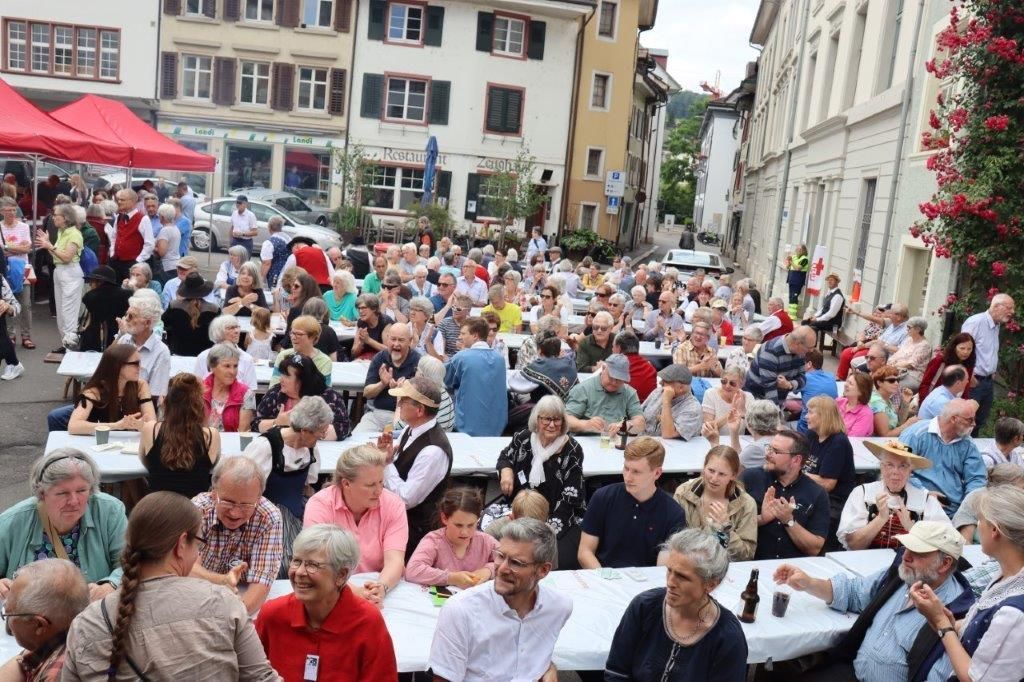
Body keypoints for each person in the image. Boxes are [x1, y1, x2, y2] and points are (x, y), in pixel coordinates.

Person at [62, 491, 280, 680]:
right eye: (198, 544)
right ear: (181, 543)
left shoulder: (87, 623)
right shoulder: (224, 603)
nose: (197, 554)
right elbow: (261, 678)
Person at [772, 521, 973, 682]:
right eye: (906, 547)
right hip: (851, 673)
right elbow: (854, 592)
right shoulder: (902, 576)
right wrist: (809, 583)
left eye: (918, 552)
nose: (906, 556)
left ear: (945, 563)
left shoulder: (956, 615)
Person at [428, 518, 571, 682]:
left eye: (516, 563)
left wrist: (549, 666)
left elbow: (536, 652)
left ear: (543, 570)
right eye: (500, 556)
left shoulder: (559, 607)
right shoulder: (460, 610)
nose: (502, 569)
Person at [255, 525, 398, 680]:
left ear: (341, 575)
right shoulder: (272, 615)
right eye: (296, 561)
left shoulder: (367, 622)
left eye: (312, 565)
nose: (300, 572)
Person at [912, 485, 1024, 682]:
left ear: (994, 530)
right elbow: (987, 629)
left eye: (979, 520)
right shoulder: (1008, 576)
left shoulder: (1015, 613)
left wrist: (941, 624)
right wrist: (949, 622)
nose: (977, 526)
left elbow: (974, 678)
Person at [604, 528, 748, 681]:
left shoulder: (727, 638)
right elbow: (616, 672)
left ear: (711, 584)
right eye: (669, 570)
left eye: (682, 576)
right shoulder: (644, 607)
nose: (670, 582)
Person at [0, 449, 126, 601]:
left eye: (81, 491)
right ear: (42, 493)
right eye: (62, 493)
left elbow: (131, 563)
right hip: (30, 613)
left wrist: (111, 585)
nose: (73, 501)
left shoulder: (110, 511)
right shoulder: (12, 521)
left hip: (92, 610)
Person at [303, 445, 407, 605]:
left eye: (381, 482)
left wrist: (381, 588)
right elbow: (318, 562)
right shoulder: (320, 505)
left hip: (379, 589)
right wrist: (355, 593)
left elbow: (395, 560)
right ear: (346, 484)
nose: (379, 490)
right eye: (371, 485)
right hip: (331, 591)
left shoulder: (393, 504)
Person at [191, 457, 283, 614]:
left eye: (246, 505)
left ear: (259, 499)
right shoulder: (197, 510)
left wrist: (233, 617)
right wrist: (223, 580)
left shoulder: (269, 517)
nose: (235, 513)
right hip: (197, 595)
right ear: (213, 493)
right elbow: (188, 569)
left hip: (241, 599)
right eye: (228, 502)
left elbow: (261, 582)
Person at [578, 437, 686, 568]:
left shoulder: (674, 514)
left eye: (636, 472)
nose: (628, 477)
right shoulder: (603, 497)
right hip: (603, 574)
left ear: (657, 473)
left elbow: (665, 568)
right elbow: (585, 552)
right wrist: (604, 576)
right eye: (626, 468)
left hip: (647, 579)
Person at [496, 396, 585, 554]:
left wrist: (547, 528)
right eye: (547, 419)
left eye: (557, 419)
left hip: (555, 515)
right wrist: (506, 471)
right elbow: (505, 456)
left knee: (543, 552)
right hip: (518, 511)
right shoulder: (523, 438)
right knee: (487, 532)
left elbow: (571, 496)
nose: (552, 424)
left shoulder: (572, 450)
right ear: (537, 419)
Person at [376, 377, 453, 556]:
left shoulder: (433, 451)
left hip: (415, 535)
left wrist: (386, 463)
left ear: (419, 410)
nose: (399, 404)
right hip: (399, 523)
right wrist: (388, 454)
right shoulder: (410, 428)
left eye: (404, 400)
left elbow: (405, 500)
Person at [838, 440, 950, 550]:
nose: (895, 471)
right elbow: (854, 545)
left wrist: (912, 528)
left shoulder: (925, 500)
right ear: (881, 467)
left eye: (903, 466)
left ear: (910, 471)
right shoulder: (863, 493)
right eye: (889, 465)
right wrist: (880, 519)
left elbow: (947, 542)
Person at [739, 428, 830, 559]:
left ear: (796, 460)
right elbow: (730, 525)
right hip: (751, 563)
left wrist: (788, 520)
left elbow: (815, 548)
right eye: (769, 448)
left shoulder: (817, 493)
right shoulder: (750, 478)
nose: (768, 454)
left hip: (794, 568)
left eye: (775, 451)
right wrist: (761, 519)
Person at [0, 558, 88, 681]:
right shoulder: (74, 633)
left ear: (39, 625)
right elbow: (24, 662)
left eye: (8, 615)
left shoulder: (55, 676)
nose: (8, 623)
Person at [141, 373, 221, 499]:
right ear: (199, 405)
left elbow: (146, 463)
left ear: (167, 401)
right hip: (194, 507)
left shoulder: (150, 429)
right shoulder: (211, 435)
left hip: (158, 505)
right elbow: (211, 467)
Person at [902, 399, 987, 516]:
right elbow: (899, 470)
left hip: (957, 511)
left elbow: (977, 478)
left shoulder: (967, 443)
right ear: (954, 419)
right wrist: (924, 494)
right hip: (917, 506)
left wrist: (968, 506)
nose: (974, 424)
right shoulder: (916, 434)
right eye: (970, 420)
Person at [673, 447, 758, 561]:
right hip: (688, 563)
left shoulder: (747, 504)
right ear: (704, 467)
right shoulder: (683, 494)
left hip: (726, 567)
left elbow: (746, 555)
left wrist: (726, 530)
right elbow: (675, 541)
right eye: (711, 471)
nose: (714, 478)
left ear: (733, 475)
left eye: (722, 474)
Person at [406, 487, 499, 587]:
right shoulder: (434, 541)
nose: (464, 532)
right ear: (444, 518)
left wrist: (488, 570)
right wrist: (450, 578)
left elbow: (509, 562)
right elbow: (412, 570)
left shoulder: (486, 541)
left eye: (471, 525)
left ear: (478, 519)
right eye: (458, 525)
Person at [66, 343, 157, 435]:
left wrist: (140, 425)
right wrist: (117, 426)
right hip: (98, 442)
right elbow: (73, 426)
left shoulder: (141, 386)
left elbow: (153, 425)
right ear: (118, 366)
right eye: (135, 363)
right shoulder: (94, 391)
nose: (140, 367)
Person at [256, 352, 349, 439]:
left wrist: (300, 427)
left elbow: (343, 429)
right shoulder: (275, 393)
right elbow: (255, 424)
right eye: (282, 374)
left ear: (302, 380)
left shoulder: (329, 397)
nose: (281, 379)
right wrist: (276, 422)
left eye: (287, 376)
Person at [804, 395, 856, 550]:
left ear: (824, 416)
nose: (806, 416)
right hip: (812, 492)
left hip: (834, 500)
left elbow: (827, 484)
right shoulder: (811, 435)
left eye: (811, 412)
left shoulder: (838, 442)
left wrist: (798, 473)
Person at [961, 293, 1015, 434]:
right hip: (974, 380)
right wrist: (969, 375)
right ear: (996, 306)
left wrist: (991, 372)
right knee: (966, 420)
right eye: (1009, 308)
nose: (1012, 312)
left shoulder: (996, 325)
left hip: (988, 381)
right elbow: (961, 350)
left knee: (979, 421)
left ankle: (971, 445)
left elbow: (988, 351)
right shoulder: (976, 322)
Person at [445, 317, 508, 436]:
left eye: (463, 333)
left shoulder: (462, 357)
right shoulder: (500, 359)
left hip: (466, 427)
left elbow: (445, 380)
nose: (460, 337)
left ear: (475, 335)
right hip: (497, 426)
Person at [33, 203, 82, 350]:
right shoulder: (62, 232)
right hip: (60, 271)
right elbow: (57, 255)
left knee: (68, 312)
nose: (53, 218)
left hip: (70, 272)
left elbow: (67, 257)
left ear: (65, 218)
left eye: (56, 215)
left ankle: (71, 346)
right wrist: (48, 244)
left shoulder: (74, 234)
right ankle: (66, 343)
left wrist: (49, 245)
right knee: (60, 312)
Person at [355, 322, 420, 432]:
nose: (396, 344)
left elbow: (422, 398)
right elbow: (367, 393)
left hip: (406, 417)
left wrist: (404, 390)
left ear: (410, 341)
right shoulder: (379, 358)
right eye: (393, 339)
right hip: (377, 414)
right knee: (358, 437)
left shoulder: (418, 361)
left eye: (401, 340)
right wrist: (382, 384)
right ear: (387, 339)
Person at [565, 353, 645, 435]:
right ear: (603, 369)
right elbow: (567, 419)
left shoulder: (629, 393)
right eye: (611, 377)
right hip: (586, 439)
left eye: (619, 379)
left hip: (617, 440)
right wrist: (586, 425)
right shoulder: (583, 389)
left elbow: (640, 423)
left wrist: (626, 425)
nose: (614, 383)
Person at [116, 290, 171, 401]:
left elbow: (155, 395)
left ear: (147, 323)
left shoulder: (161, 351)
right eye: (126, 314)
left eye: (131, 316)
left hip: (142, 406)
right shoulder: (124, 340)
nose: (126, 319)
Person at [744, 326, 815, 405]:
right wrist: (777, 412)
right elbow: (770, 391)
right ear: (797, 344)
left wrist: (789, 385)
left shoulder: (800, 353)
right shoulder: (770, 352)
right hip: (756, 400)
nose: (811, 350)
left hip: (779, 399)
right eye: (810, 347)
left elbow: (803, 378)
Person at [1, 195, 34, 350]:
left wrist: (7, 247)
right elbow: (1, 252)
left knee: (26, 304)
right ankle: (11, 334)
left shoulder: (24, 227)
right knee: (7, 303)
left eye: (14, 210)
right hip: (5, 270)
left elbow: (27, 248)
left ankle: (26, 336)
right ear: (1, 211)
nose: (12, 213)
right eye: (8, 210)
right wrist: (18, 248)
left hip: (23, 269)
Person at [201, 343, 256, 432]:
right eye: (227, 366)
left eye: (235, 366)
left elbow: (243, 431)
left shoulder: (246, 394)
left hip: (233, 441)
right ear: (212, 366)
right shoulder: (197, 391)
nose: (232, 372)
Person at [162, 272, 219, 356]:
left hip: (178, 353)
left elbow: (164, 323)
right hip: (205, 355)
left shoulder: (174, 306)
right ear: (204, 290)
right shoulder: (214, 309)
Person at [106, 188, 155, 284]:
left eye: (122, 200)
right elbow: (114, 237)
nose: (119, 202)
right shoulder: (119, 217)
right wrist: (112, 253)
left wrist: (137, 261)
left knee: (129, 289)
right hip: (116, 262)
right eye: (118, 199)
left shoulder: (143, 219)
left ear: (132, 201)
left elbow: (149, 244)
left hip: (132, 264)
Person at [78, 264, 132, 352]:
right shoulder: (128, 295)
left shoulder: (90, 297)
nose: (90, 284)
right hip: (121, 336)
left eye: (92, 281)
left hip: (95, 339)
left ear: (100, 282)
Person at [642, 364, 703, 440]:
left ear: (681, 388)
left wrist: (666, 401)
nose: (660, 383)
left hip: (669, 446)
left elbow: (668, 434)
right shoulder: (658, 392)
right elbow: (639, 414)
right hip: (642, 442)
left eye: (666, 381)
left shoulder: (693, 408)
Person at [270, 315, 334, 386]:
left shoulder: (324, 362)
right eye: (292, 333)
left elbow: (325, 390)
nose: (293, 337)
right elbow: (274, 386)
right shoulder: (283, 356)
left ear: (313, 337)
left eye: (299, 334)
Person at [919, 332, 976, 402]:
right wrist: (925, 402)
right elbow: (925, 384)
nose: (965, 352)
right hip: (933, 402)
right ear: (954, 347)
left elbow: (965, 390)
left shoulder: (968, 365)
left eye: (969, 349)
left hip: (954, 404)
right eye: (962, 348)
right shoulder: (939, 361)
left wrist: (964, 404)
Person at [702, 366, 755, 436]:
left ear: (741, 384)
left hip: (738, 440)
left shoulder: (748, 397)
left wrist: (743, 413)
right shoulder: (710, 394)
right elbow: (708, 429)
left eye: (732, 383)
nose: (727, 386)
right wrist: (730, 414)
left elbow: (755, 431)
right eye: (724, 381)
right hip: (715, 439)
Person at [795, 348, 838, 433]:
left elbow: (790, 389)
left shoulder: (804, 378)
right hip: (829, 424)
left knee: (787, 403)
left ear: (809, 364)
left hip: (806, 428)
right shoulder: (831, 376)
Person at [870, 364, 919, 436]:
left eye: (897, 380)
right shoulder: (876, 402)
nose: (896, 383)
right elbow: (885, 435)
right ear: (879, 383)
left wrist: (905, 402)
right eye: (891, 380)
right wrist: (907, 424)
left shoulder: (886, 399)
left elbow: (898, 424)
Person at [886, 316, 933, 390]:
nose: (907, 329)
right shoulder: (909, 340)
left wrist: (894, 365)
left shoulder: (924, 345)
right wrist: (890, 362)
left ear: (918, 329)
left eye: (909, 327)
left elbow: (911, 364)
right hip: (898, 371)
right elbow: (898, 354)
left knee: (887, 385)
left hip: (912, 376)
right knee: (878, 379)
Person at [614, 330, 657, 401]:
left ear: (618, 348)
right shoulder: (650, 368)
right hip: (648, 406)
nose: (612, 350)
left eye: (613, 347)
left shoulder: (615, 368)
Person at [352, 293, 393, 359]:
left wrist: (368, 340)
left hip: (382, 360)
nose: (360, 311)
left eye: (364, 308)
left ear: (374, 308)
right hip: (364, 359)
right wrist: (360, 344)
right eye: (359, 308)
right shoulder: (361, 322)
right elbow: (353, 353)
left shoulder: (385, 322)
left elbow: (389, 351)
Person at [837, 372, 876, 436]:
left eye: (850, 383)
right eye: (847, 381)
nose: (845, 385)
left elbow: (853, 438)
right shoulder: (839, 402)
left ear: (861, 391)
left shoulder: (865, 414)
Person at [408, 295, 445, 360]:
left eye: (417, 310)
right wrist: (413, 344)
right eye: (411, 309)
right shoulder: (404, 329)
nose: (412, 312)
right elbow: (401, 356)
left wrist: (428, 342)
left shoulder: (435, 333)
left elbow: (440, 360)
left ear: (426, 315)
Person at [259, 214, 291, 287]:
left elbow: (266, 263)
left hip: (275, 274)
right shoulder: (288, 238)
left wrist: (261, 279)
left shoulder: (269, 243)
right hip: (288, 272)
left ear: (269, 227)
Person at [152, 203, 180, 280]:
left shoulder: (165, 230)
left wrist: (152, 247)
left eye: (159, 215)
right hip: (175, 263)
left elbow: (162, 252)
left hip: (167, 266)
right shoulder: (175, 228)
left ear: (162, 217)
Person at [785, 244, 809, 316]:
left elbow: (798, 268)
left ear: (803, 251)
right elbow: (787, 267)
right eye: (797, 249)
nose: (798, 250)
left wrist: (791, 262)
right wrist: (789, 261)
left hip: (798, 281)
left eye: (800, 249)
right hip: (791, 279)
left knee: (794, 296)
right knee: (790, 296)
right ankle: (790, 313)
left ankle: (793, 314)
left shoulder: (804, 259)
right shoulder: (794, 257)